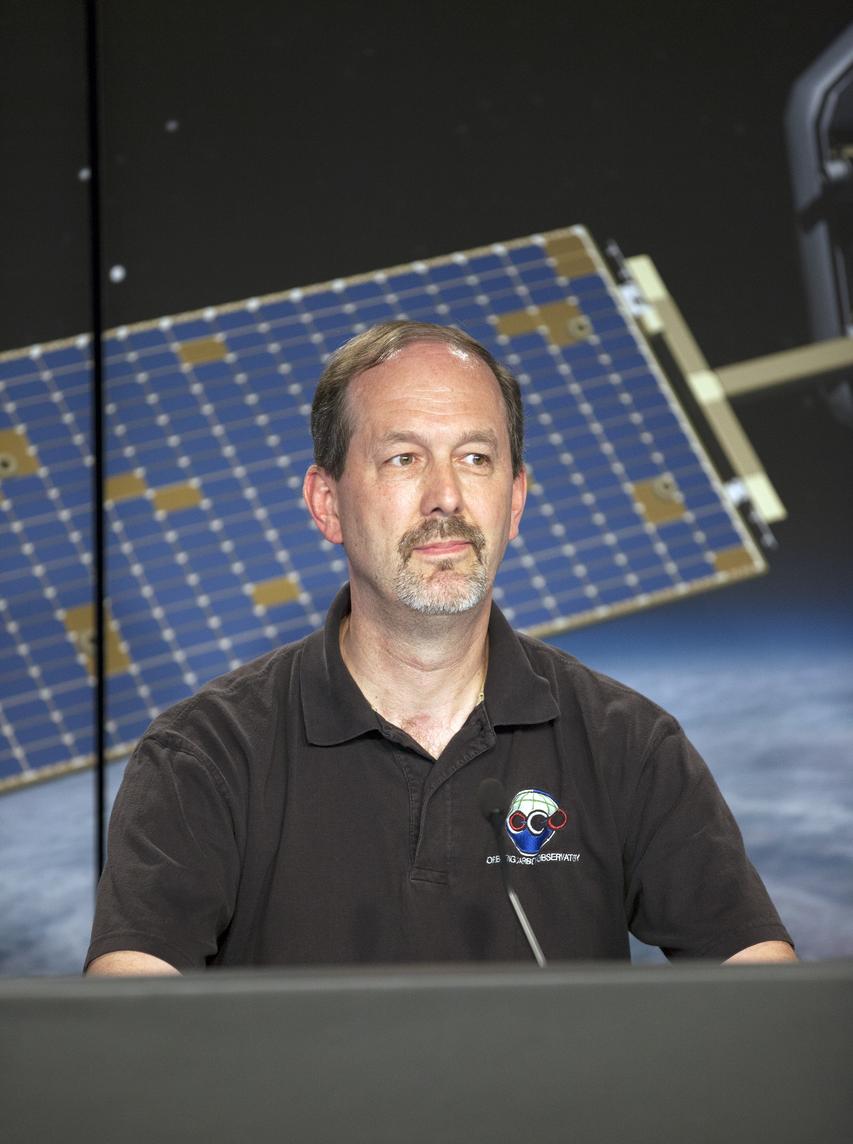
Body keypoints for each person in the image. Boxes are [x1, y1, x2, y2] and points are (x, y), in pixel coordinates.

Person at [86, 321, 795, 974]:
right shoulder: (204, 755)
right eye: (402, 458)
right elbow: (128, 1031)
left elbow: (765, 1005)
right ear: (326, 504)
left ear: (514, 500)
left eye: (476, 457)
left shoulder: (627, 744)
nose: (446, 497)